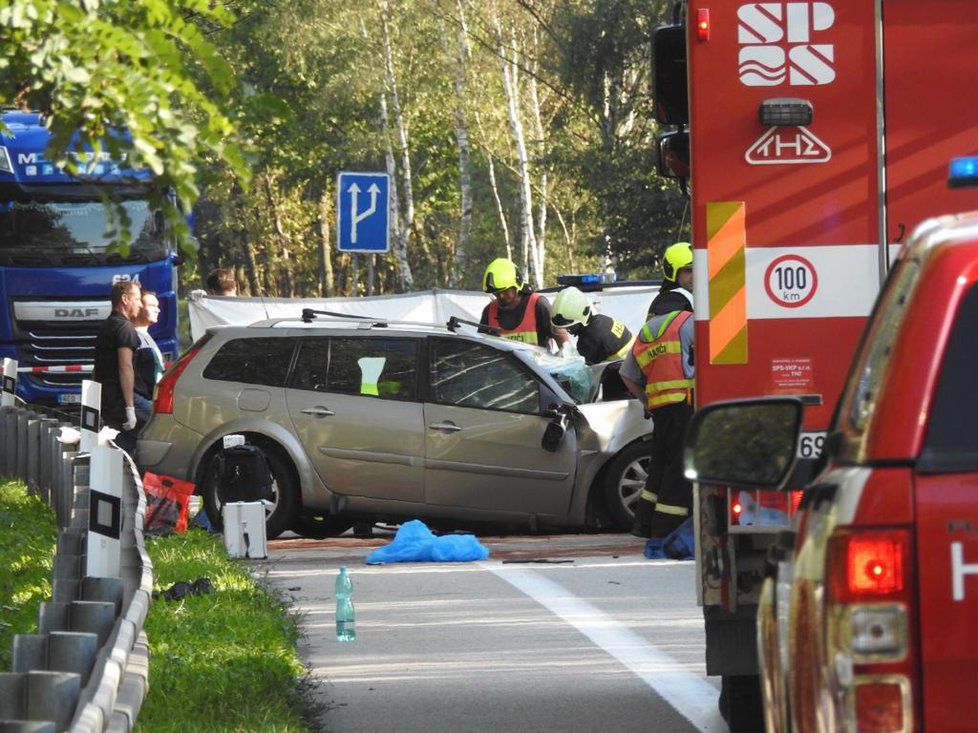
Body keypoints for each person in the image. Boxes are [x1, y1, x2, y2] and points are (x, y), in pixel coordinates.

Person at [621, 276, 695, 539]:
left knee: (660, 467)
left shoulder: (646, 331)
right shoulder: (687, 322)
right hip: (684, 405)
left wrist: (647, 401)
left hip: (660, 410)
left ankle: (643, 523)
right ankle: (667, 529)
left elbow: (627, 375)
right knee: (679, 469)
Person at [93, 280, 142, 454]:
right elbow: (125, 367)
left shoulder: (106, 325)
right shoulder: (125, 327)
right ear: (125, 299)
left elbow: (96, 367)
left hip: (107, 398)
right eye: (137, 299)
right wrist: (130, 408)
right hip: (122, 399)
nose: (140, 304)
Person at [480, 257, 570, 350]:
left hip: (536, 364)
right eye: (496, 293)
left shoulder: (538, 305)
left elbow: (564, 346)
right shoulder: (489, 311)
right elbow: (480, 349)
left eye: (505, 291)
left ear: (517, 285)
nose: (501, 296)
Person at [550, 286, 634, 365]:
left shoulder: (588, 341)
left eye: (570, 326)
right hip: (635, 361)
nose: (567, 329)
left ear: (581, 317)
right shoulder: (602, 320)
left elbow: (584, 373)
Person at [133, 290, 165, 428]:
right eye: (152, 305)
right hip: (140, 403)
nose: (158, 310)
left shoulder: (146, 336)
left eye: (157, 306)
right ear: (139, 307)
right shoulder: (131, 337)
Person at [647, 241, 694, 317]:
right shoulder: (671, 301)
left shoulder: (689, 297)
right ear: (672, 272)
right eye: (688, 271)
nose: (695, 276)